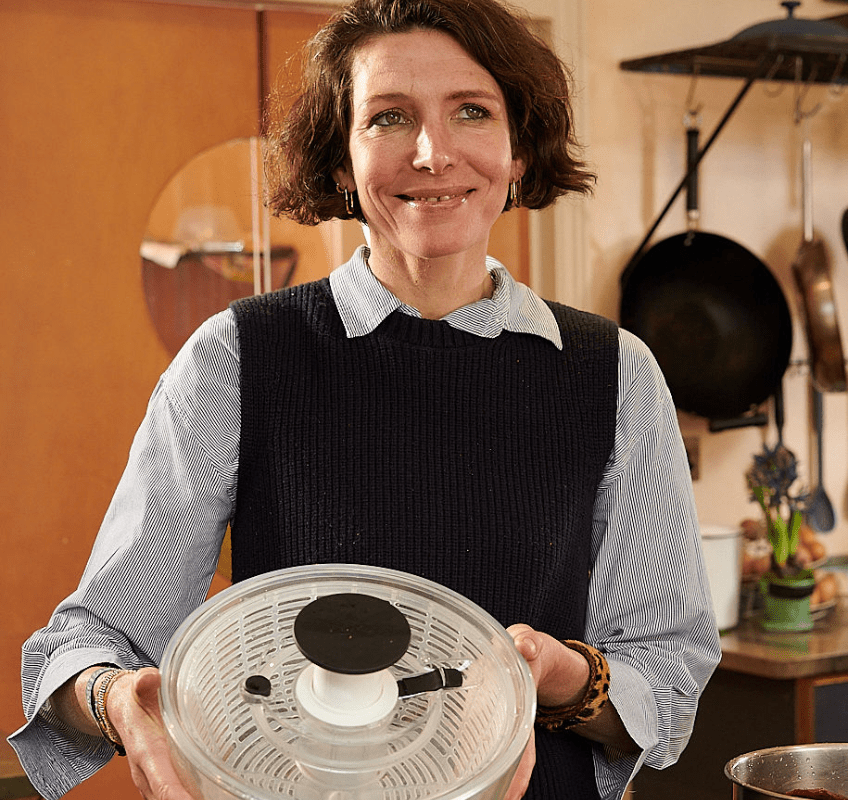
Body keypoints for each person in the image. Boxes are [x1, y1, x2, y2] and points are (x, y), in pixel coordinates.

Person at [10, 1, 721, 798]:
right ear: (342, 164)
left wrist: (564, 679)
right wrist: (114, 696)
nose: (432, 152)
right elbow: (86, 643)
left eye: (472, 111)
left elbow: (665, 676)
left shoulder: (614, 373)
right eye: (389, 118)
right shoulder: (237, 358)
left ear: (518, 150)